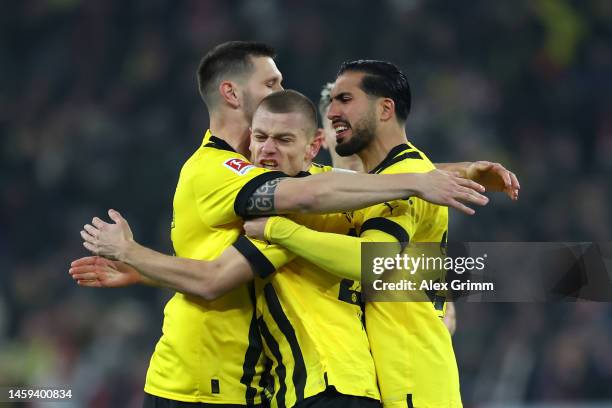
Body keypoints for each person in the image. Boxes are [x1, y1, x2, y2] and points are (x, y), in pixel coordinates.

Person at [73, 40, 490, 408]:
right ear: (232, 93)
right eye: (271, 83)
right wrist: (135, 257)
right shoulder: (221, 173)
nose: (281, 90)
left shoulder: (295, 200)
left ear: (312, 148)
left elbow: (344, 192)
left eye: (285, 139)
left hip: (283, 382)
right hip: (203, 380)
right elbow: (217, 275)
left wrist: (456, 175)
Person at [242, 60, 519, 407]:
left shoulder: (407, 178)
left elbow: (371, 261)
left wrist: (276, 228)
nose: (333, 113)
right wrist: (464, 170)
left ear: (385, 108)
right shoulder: (398, 178)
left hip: (410, 382)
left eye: (345, 100)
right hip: (406, 378)